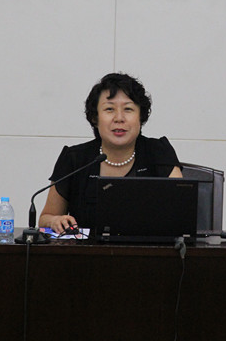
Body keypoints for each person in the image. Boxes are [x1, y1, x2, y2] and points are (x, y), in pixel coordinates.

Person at [39, 73, 183, 233]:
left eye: (128, 109)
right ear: (95, 117)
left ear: (140, 116)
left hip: (148, 248)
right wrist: (55, 221)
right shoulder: (75, 158)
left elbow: (182, 212)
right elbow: (46, 218)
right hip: (86, 249)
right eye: (109, 109)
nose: (119, 118)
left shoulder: (158, 152)